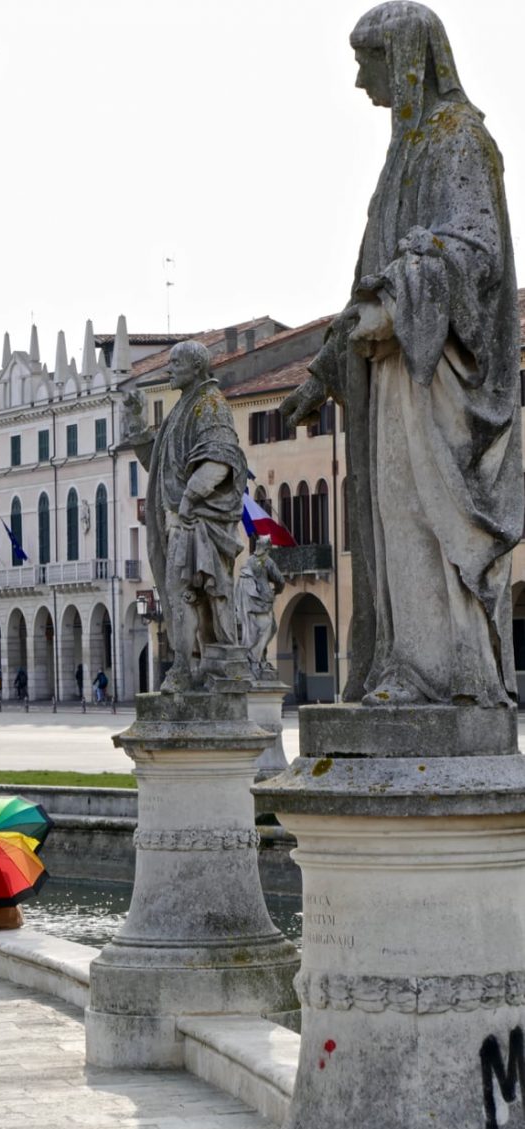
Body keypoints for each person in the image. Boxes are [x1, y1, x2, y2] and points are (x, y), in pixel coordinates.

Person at [281, 2, 522, 708]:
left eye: (369, 62)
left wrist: (401, 303)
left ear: (408, 60)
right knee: (393, 520)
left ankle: (446, 676)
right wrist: (323, 372)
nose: (360, 81)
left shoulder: (460, 142)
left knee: (426, 519)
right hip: (392, 380)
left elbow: (476, 252)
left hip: (436, 382)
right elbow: (368, 275)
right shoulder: (405, 154)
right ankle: (403, 669)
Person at [123, 340, 247, 693]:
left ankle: (184, 667)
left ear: (196, 366)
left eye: (175, 363)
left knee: (185, 593)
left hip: (197, 521)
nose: (169, 369)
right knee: (184, 594)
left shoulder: (210, 405)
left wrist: (192, 497)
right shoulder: (181, 411)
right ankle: (191, 664)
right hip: (181, 518)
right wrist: (136, 424)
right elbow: (160, 468)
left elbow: (221, 460)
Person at [236, 536, 285, 678]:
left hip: (248, 605)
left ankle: (257, 659)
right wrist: (278, 590)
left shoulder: (248, 561)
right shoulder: (267, 561)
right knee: (268, 630)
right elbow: (280, 580)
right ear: (268, 548)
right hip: (263, 602)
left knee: (253, 632)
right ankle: (255, 661)